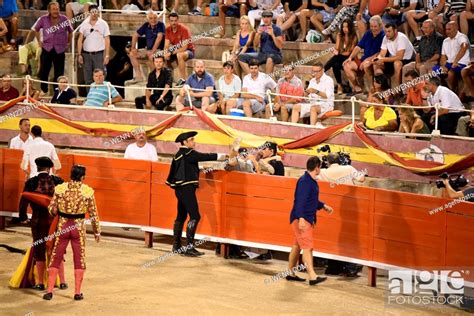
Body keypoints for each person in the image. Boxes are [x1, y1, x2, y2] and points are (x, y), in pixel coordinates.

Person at [166, 131, 230, 256]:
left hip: (180, 189)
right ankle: (189, 247)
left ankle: (176, 246)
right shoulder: (190, 153)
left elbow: (184, 168)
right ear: (185, 142)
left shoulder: (178, 154)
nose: (194, 142)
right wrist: (224, 156)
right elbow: (206, 156)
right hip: (187, 189)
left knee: (181, 216)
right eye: (191, 140)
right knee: (195, 216)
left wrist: (199, 169)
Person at [43, 165, 101, 300]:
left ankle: (49, 291)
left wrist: (61, 210)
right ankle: (77, 293)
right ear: (82, 177)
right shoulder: (87, 191)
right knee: (79, 259)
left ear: (71, 175)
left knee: (56, 257)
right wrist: (97, 232)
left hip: (63, 226)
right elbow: (93, 214)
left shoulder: (61, 189)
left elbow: (51, 209)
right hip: (78, 228)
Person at [18, 157, 67, 291]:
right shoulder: (58, 182)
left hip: (38, 221)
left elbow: (23, 201)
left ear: (37, 168)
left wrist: (23, 217)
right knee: (57, 249)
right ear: (50, 168)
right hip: (55, 222)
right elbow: (66, 201)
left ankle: (40, 283)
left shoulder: (31, 182)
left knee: (39, 250)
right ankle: (62, 281)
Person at [287, 156, 334, 285]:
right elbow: (301, 201)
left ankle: (290, 273)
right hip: (302, 219)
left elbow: (310, 200)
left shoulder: (308, 180)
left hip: (300, 217)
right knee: (308, 247)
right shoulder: (305, 182)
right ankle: (312, 276)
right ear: (317, 167)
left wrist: (323, 206)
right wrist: (301, 218)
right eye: (320, 167)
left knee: (297, 246)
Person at [317, 152, 364, 277]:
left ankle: (333, 267)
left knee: (332, 235)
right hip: (347, 208)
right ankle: (349, 267)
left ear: (327, 162)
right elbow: (362, 179)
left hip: (329, 208)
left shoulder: (322, 172)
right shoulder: (348, 168)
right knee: (348, 236)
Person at [32, 2, 73, 95]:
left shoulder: (64, 19)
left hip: (60, 49)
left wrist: (68, 42)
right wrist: (39, 41)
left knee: (59, 72)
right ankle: (44, 90)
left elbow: (71, 31)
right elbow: (36, 29)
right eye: (54, 9)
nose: (56, 11)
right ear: (49, 10)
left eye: (57, 9)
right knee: (44, 71)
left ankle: (57, 91)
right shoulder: (43, 19)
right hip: (47, 48)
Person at [343, 15, 385, 95]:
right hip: (363, 59)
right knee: (346, 65)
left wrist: (367, 60)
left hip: (375, 60)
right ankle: (358, 87)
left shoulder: (383, 36)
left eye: (375, 26)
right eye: (371, 26)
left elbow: (380, 53)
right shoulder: (368, 33)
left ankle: (372, 89)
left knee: (366, 64)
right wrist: (350, 57)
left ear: (380, 25)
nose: (373, 28)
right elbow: (358, 47)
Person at [238, 10, 284, 74]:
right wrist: (258, 34)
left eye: (268, 17)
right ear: (262, 18)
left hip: (275, 54)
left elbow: (280, 46)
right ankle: (252, 78)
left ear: (271, 18)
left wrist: (273, 35)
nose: (266, 19)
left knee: (270, 58)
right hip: (262, 54)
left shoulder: (277, 29)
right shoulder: (261, 28)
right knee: (241, 57)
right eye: (264, 17)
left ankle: (267, 81)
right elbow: (255, 45)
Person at [292, 62, 334, 127]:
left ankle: (312, 129)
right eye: (313, 71)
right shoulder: (312, 81)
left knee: (313, 108)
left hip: (326, 105)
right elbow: (308, 96)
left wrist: (315, 91)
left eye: (317, 71)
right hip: (313, 103)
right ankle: (293, 127)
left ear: (323, 70)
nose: (315, 73)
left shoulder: (329, 80)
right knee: (296, 107)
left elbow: (327, 96)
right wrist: (306, 93)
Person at [77, 4, 110, 86]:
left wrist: (107, 55)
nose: (94, 14)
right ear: (89, 12)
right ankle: (90, 96)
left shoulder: (103, 24)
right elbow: (80, 39)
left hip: (98, 54)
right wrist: (79, 54)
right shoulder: (84, 23)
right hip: (86, 54)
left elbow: (107, 39)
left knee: (100, 77)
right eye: (92, 12)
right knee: (87, 78)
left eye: (96, 12)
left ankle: (101, 96)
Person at [129, 10, 165, 82]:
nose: (153, 20)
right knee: (132, 54)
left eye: (155, 18)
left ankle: (156, 78)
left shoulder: (161, 25)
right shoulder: (146, 25)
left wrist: (152, 51)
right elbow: (135, 35)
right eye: (151, 18)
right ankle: (139, 77)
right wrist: (133, 48)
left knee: (150, 56)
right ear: (148, 19)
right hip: (148, 49)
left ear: (157, 18)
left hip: (159, 50)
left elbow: (159, 38)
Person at [433, 21, 470, 92]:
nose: (447, 31)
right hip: (449, 64)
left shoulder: (462, 37)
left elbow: (464, 47)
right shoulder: (445, 41)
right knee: (434, 70)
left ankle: (452, 91)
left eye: (449, 29)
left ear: (456, 28)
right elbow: (443, 57)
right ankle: (443, 89)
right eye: (446, 29)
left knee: (450, 73)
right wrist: (443, 66)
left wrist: (455, 61)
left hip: (461, 64)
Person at [324, 18, 357, 94]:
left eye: (347, 27)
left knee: (336, 58)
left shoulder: (353, 37)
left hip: (349, 59)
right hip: (339, 58)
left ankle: (323, 70)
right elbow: (337, 48)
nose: (345, 29)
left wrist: (338, 53)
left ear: (350, 27)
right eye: (343, 27)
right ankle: (339, 85)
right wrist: (335, 51)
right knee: (335, 64)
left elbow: (348, 53)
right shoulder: (339, 35)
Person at [163, 12, 195, 87]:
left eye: (175, 21)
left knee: (180, 55)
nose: (174, 23)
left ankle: (183, 80)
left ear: (178, 20)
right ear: (169, 21)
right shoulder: (167, 29)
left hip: (189, 50)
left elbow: (184, 47)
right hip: (175, 50)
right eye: (172, 21)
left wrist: (170, 53)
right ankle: (165, 79)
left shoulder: (184, 29)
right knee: (161, 55)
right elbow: (166, 44)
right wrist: (166, 52)